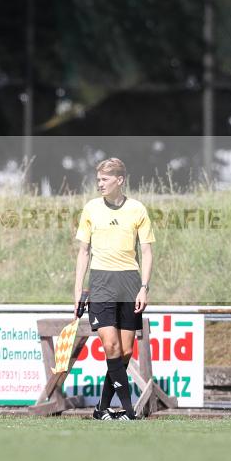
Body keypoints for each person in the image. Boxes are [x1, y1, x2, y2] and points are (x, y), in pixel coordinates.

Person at [74, 158, 154, 420]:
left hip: (130, 283)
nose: (100, 184)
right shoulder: (91, 208)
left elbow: (147, 252)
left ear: (120, 180)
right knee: (111, 346)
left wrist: (144, 288)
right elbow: (83, 252)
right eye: (98, 179)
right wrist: (78, 291)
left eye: (105, 179)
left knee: (126, 351)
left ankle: (101, 409)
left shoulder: (137, 209)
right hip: (101, 284)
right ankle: (129, 411)